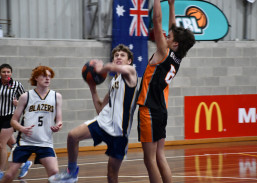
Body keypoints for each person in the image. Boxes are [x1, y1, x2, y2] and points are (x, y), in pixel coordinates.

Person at [48, 44, 139, 183]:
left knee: (111, 176)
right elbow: (100, 110)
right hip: (104, 123)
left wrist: (102, 67)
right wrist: (92, 88)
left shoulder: (131, 73)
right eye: (116, 55)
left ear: (129, 61)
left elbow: (110, 68)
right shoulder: (114, 81)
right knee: (72, 136)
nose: (118, 57)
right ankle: (71, 173)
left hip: (120, 132)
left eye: (122, 55)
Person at [137, 0, 195, 182]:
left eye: (168, 37)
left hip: (149, 110)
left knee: (149, 159)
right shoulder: (177, 56)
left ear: (175, 43)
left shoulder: (163, 52)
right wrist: (171, 5)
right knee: (160, 156)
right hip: (161, 110)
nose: (165, 36)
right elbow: (173, 29)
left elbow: (156, 19)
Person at [1, 66, 63, 183]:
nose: (47, 79)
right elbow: (13, 121)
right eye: (44, 76)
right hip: (25, 142)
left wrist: (58, 126)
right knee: (9, 175)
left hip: (45, 142)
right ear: (36, 78)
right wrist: (22, 128)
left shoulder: (56, 96)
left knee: (54, 173)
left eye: (49, 76)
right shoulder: (26, 96)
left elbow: (59, 120)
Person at [0, 64, 32, 180]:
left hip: (10, 117)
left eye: (8, 72)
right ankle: (24, 163)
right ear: (0, 73)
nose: (6, 74)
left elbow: (26, 100)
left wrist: (17, 103)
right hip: (0, 116)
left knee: (1, 144)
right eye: (3, 72)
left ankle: (1, 172)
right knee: (11, 144)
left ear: (11, 73)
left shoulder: (16, 85)